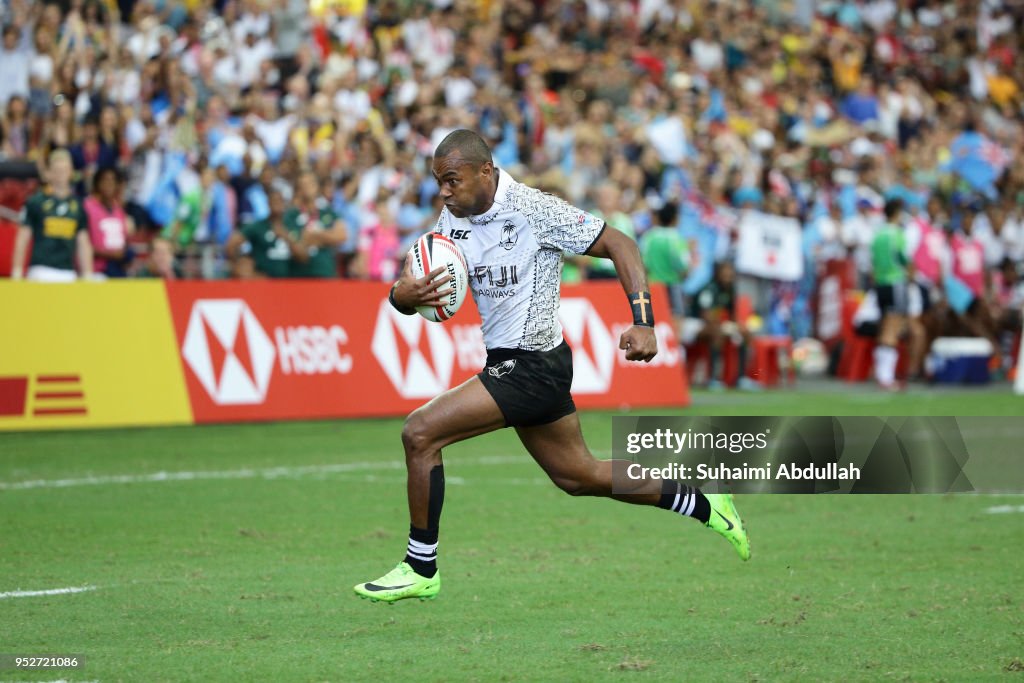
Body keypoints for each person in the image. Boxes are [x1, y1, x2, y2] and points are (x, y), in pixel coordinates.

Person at [353, 130, 749, 604]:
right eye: (439, 181)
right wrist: (403, 295)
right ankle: (704, 501)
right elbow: (411, 291)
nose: (444, 191)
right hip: (516, 362)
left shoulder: (534, 211)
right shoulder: (451, 219)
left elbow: (620, 243)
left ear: (486, 171)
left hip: (534, 365)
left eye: (452, 180)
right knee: (577, 476)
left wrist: (644, 321)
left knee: (420, 432)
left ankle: (421, 566)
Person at [11, 149, 93, 282]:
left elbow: (83, 242)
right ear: (48, 173)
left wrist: (88, 274)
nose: (61, 174)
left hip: (67, 271)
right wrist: (17, 271)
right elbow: (23, 238)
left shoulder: (78, 205)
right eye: (57, 170)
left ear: (71, 172)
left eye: (65, 169)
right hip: (41, 269)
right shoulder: (35, 202)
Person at [226, 188, 308, 278]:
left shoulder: (292, 225)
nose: (276, 204)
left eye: (279, 200)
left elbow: (303, 257)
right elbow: (231, 245)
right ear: (268, 203)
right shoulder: (258, 226)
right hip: (264, 282)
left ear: (284, 203)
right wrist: (239, 265)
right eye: (273, 200)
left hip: (288, 282)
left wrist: (286, 237)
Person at [284, 170, 347, 277]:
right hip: (299, 275)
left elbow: (342, 236)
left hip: (325, 273)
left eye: (310, 183)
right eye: (303, 185)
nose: (307, 187)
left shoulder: (327, 211)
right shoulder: (291, 215)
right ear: (298, 190)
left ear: (317, 186)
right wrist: (327, 238)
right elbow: (298, 248)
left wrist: (316, 235)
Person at [84, 166, 134, 278]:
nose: (109, 184)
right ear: (97, 183)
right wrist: (111, 254)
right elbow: (83, 242)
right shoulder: (87, 207)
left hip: (118, 268)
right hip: (97, 270)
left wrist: (125, 254)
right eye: (105, 180)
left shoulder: (118, 210)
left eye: (113, 181)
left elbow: (124, 239)